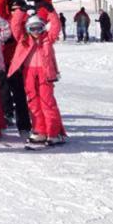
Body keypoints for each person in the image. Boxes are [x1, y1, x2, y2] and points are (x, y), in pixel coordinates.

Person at [10, 8, 66, 145]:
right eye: (32, 29)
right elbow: (15, 26)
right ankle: (40, 131)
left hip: (45, 74)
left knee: (47, 103)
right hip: (29, 73)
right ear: (28, 29)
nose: (36, 32)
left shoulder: (47, 38)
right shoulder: (24, 40)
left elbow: (56, 26)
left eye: (39, 29)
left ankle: (53, 133)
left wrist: (51, 11)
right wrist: (20, 11)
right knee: (33, 103)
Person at [0, 0, 42, 135]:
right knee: (2, 92)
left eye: (19, 9)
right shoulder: (5, 20)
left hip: (21, 64)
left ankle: (25, 125)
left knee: (20, 94)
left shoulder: (29, 22)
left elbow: (44, 8)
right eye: (13, 9)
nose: (16, 12)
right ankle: (5, 116)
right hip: (4, 62)